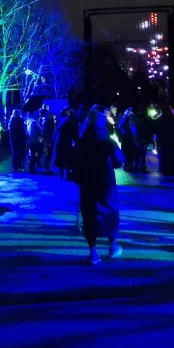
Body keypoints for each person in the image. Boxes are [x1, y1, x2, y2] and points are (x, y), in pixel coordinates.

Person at [75, 106, 126, 264]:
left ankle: (93, 252)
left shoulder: (82, 142)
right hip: (105, 183)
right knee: (109, 211)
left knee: (89, 214)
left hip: (87, 183)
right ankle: (113, 245)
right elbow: (119, 161)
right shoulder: (107, 141)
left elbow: (73, 162)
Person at [52, 108, 79, 180]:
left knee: (61, 161)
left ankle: (61, 175)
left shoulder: (59, 125)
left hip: (59, 144)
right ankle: (67, 175)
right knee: (67, 160)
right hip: (67, 144)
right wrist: (78, 141)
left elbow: (54, 134)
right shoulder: (69, 124)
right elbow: (74, 135)